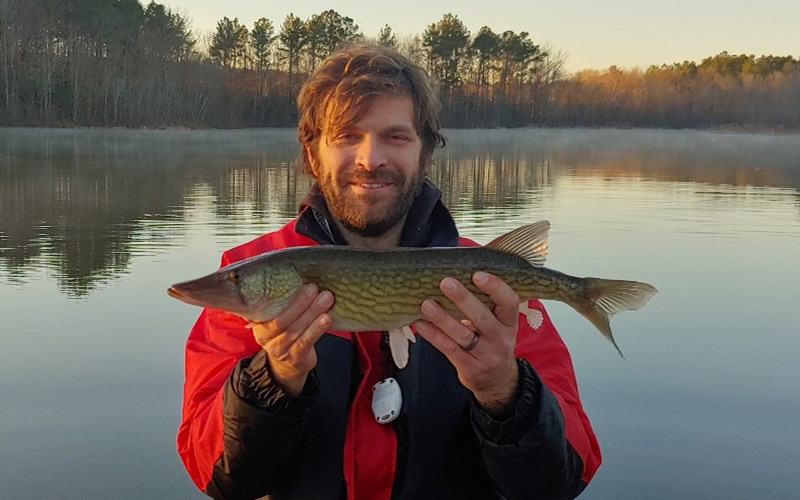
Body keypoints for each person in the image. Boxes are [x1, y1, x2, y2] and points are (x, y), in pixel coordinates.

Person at [177, 43, 601, 500]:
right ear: (312, 155)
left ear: (424, 154)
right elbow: (218, 477)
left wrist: (504, 391)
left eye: (395, 137)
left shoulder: (486, 281)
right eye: (346, 136)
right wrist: (272, 380)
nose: (370, 158)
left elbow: (560, 482)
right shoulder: (253, 272)